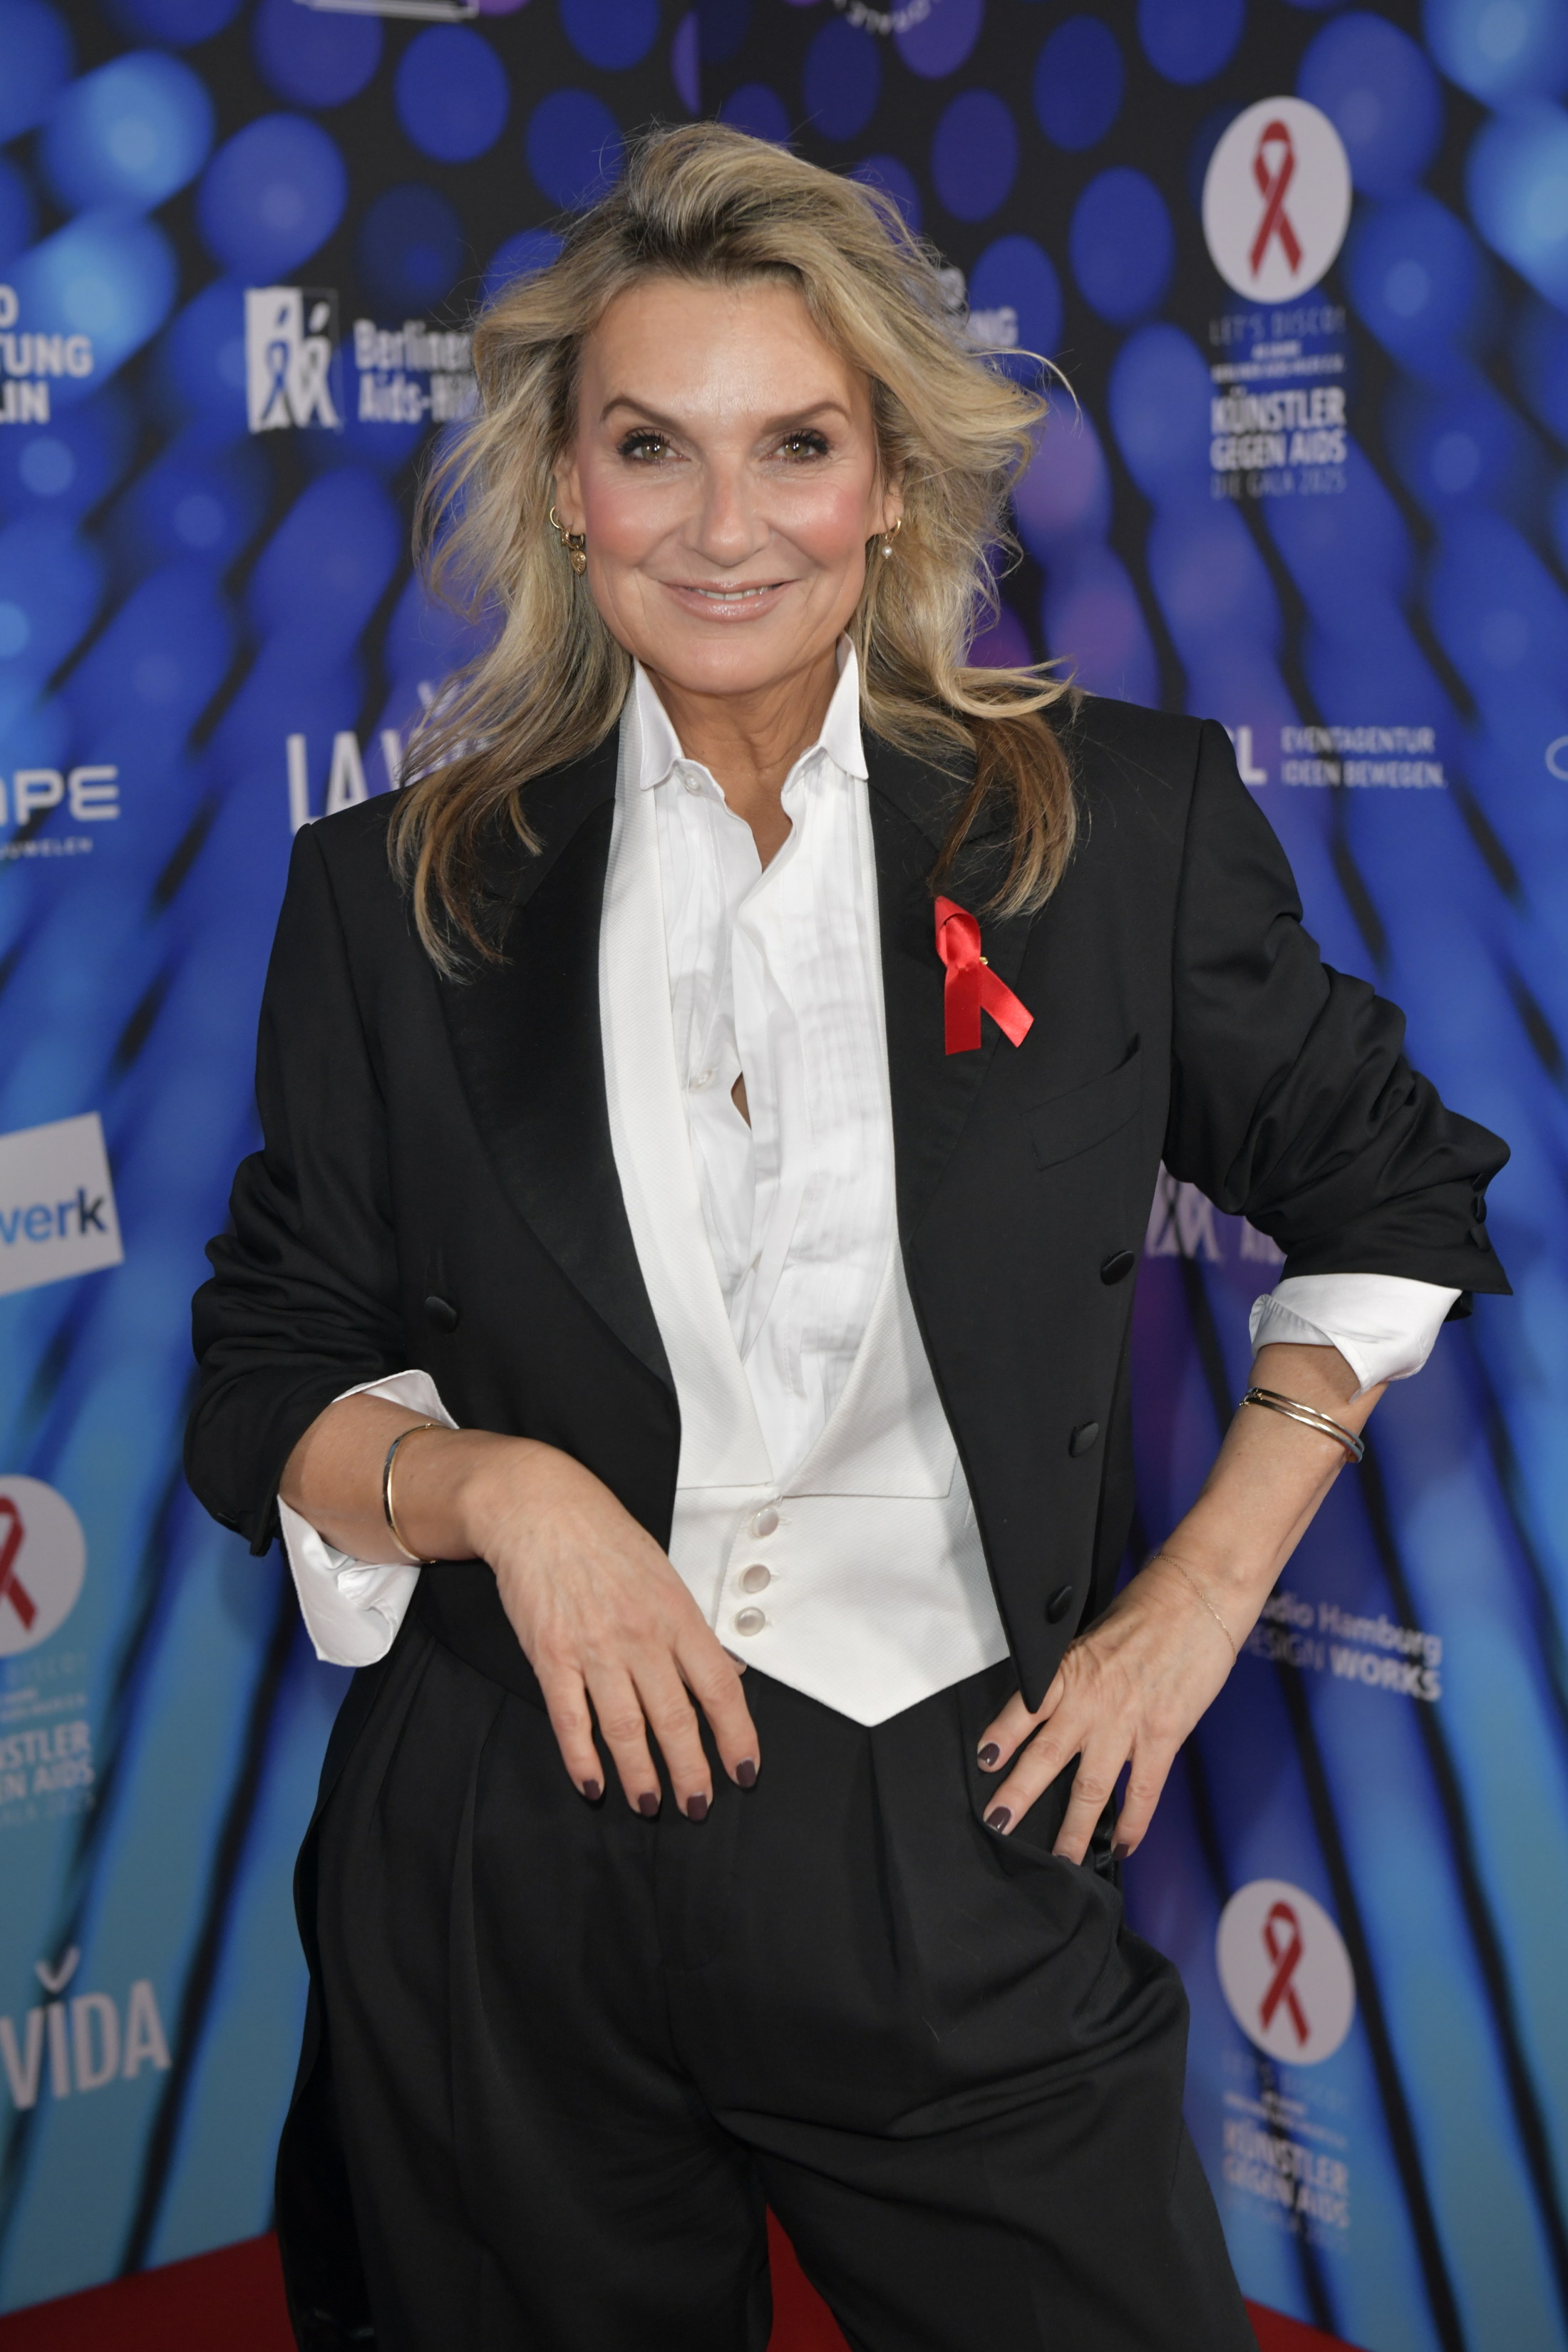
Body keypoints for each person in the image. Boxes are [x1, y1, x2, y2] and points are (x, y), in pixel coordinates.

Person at [186, 123, 1508, 2352]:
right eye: (652, 447)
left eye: (795, 445)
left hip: (946, 1831)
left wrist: (1201, 1597)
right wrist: (500, 1492)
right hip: (506, 1851)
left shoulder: (1114, 822)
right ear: (567, 488)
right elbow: (264, 1364)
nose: (725, 525)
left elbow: (1399, 1187)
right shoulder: (394, 889)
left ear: (891, 480)